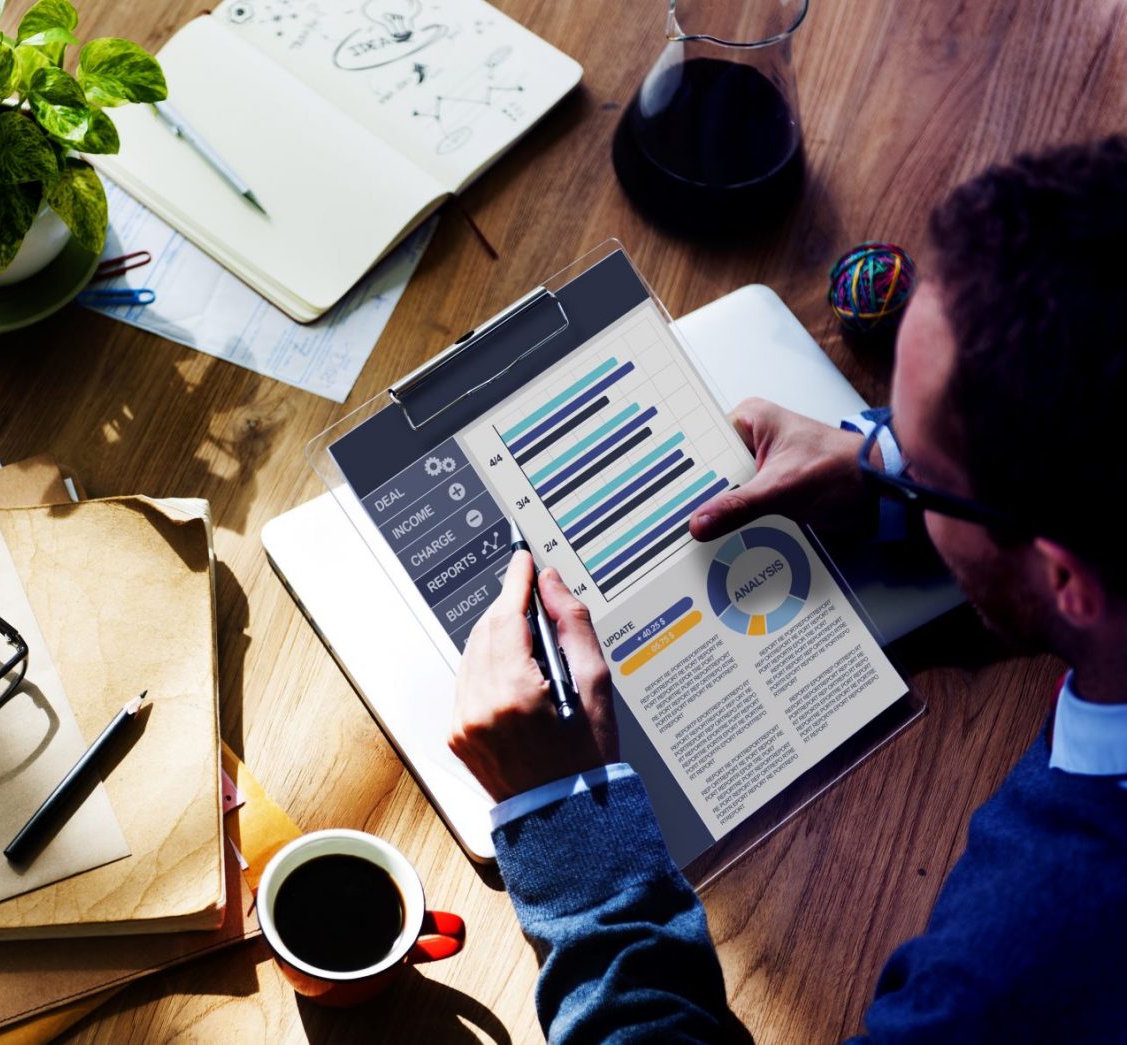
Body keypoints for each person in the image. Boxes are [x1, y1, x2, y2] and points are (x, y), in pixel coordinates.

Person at [449, 137, 1127, 1043]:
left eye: (918, 471)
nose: (878, 452)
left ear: (1066, 579)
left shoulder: (1016, 968)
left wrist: (574, 837)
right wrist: (880, 466)